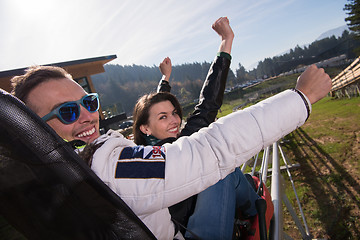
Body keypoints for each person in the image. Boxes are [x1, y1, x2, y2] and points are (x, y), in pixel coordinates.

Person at [10, 26, 332, 240]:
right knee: (223, 172)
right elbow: (204, 149)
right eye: (67, 111)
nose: (85, 115)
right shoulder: (109, 164)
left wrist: (167, 80)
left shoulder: (53, 182)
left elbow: (187, 111)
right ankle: (256, 206)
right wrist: (298, 100)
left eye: (89, 101)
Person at [133, 17, 261, 239]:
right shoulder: (181, 145)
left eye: (174, 113)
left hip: (180, 226)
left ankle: (249, 193)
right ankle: (255, 208)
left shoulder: (137, 154)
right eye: (165, 117)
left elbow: (152, 112)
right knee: (222, 167)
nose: (174, 120)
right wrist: (225, 42)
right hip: (194, 233)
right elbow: (208, 104)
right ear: (144, 128)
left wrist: (165, 79)